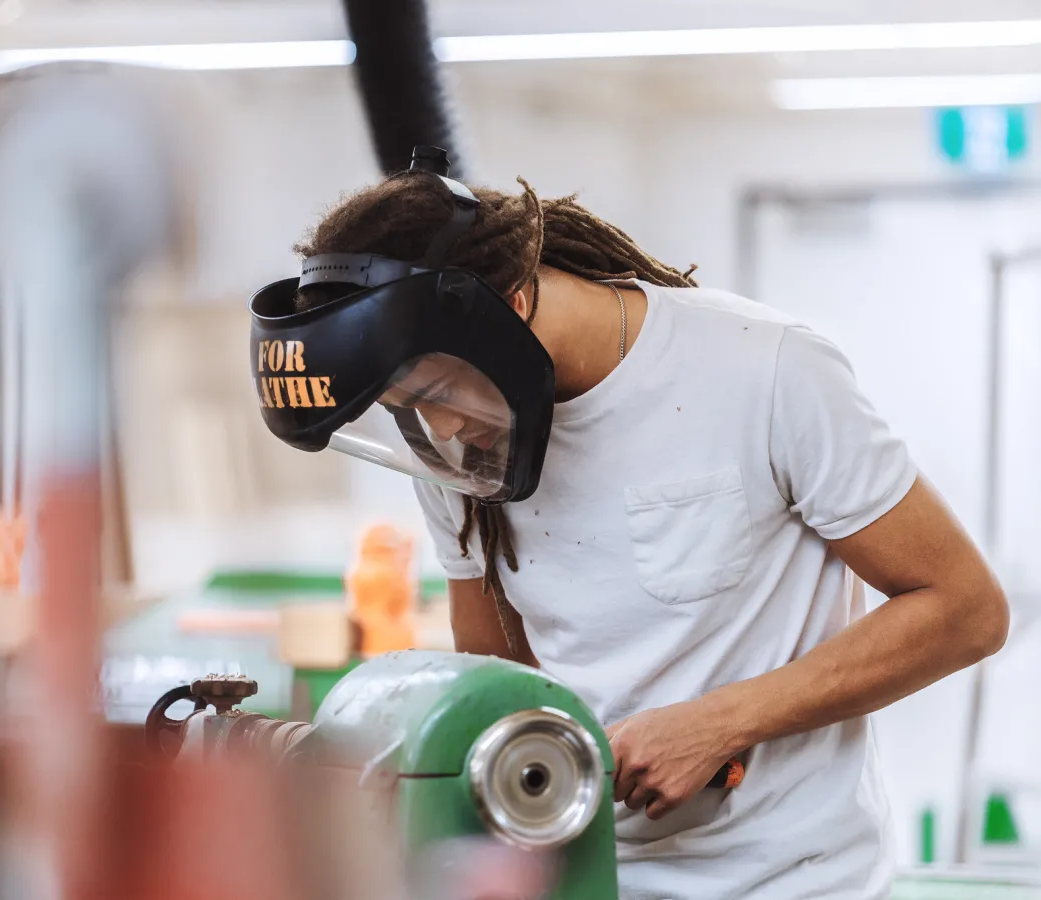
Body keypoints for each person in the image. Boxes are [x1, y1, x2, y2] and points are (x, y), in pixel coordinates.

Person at [266, 159, 1008, 899]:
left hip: (796, 882)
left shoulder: (764, 370)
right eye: (407, 404)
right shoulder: (466, 447)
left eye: (434, 390)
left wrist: (720, 722)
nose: (441, 425)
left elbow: (964, 609)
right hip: (588, 872)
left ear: (514, 302)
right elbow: (501, 684)